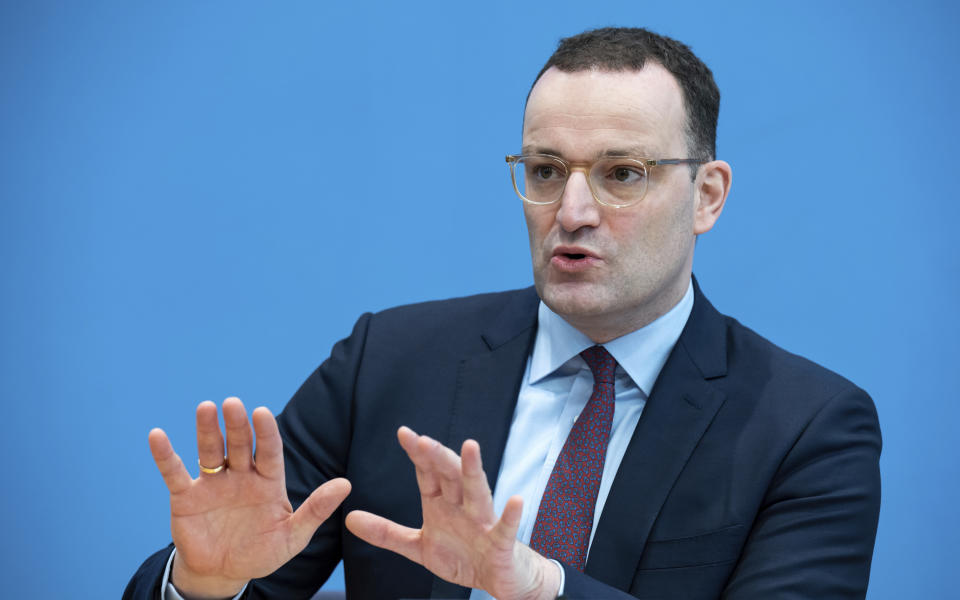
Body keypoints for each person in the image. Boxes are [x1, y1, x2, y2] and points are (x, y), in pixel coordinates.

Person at [124, 27, 881, 600]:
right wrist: (200, 584)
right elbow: (239, 574)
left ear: (707, 195)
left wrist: (541, 585)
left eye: (622, 174)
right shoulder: (385, 362)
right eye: (546, 171)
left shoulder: (808, 427)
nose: (572, 211)